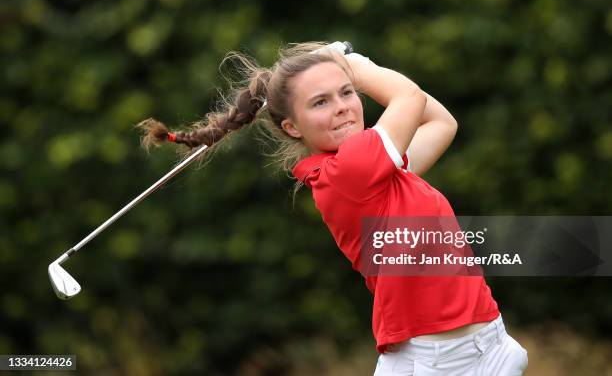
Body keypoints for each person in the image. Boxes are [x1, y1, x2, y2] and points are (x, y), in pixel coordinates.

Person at [138, 42, 528, 375]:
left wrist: (337, 71)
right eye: (321, 101)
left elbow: (442, 124)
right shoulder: (349, 173)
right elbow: (410, 98)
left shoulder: (380, 173)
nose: (342, 107)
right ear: (292, 126)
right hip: (432, 364)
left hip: (489, 346)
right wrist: (355, 67)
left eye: (346, 92)